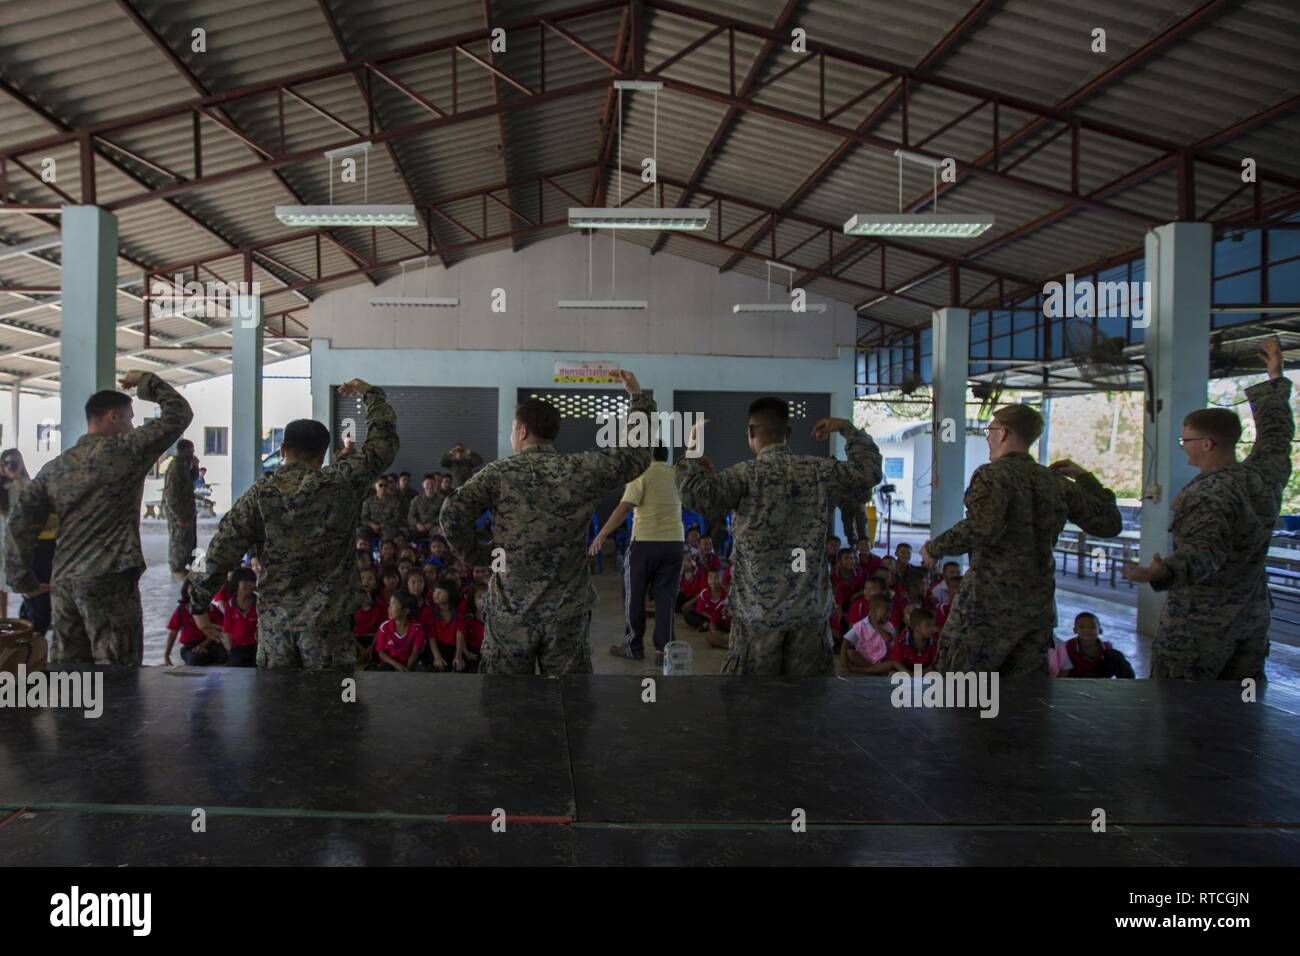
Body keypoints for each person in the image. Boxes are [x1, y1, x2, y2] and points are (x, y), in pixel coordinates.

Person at [440, 370, 653, 675]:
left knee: (506, 702)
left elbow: (451, 515)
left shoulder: (499, 473)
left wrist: (480, 555)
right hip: (566, 613)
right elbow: (634, 456)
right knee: (567, 703)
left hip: (511, 611)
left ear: (523, 431)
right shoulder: (580, 470)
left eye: (513, 429)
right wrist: (638, 399)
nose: (513, 435)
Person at [188, 378, 398, 669]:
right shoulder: (342, 482)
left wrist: (198, 604)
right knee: (336, 704)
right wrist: (372, 395)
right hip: (328, 628)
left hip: (277, 628)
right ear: (323, 453)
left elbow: (219, 550)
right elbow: (381, 446)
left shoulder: (260, 495)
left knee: (277, 708)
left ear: (283, 449)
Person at [1124, 337, 1292, 680]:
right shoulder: (1265, 475)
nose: (1184, 447)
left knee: (1177, 716)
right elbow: (1276, 435)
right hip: (1251, 620)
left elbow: (1204, 554)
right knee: (1242, 712)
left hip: (1199, 629)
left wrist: (1163, 572)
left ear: (1207, 444)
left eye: (1186, 440)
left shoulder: (1208, 493)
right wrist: (1275, 379)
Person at [676, 401, 881, 675]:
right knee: (806, 704)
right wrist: (846, 428)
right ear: (789, 433)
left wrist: (691, 455)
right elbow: (869, 472)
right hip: (808, 616)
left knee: (754, 704)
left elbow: (695, 494)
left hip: (758, 617)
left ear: (750, 432)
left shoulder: (744, 475)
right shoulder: (819, 471)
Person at [5, 371, 192, 665]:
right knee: (118, 678)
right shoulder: (128, 450)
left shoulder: (56, 467)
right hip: (110, 581)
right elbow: (179, 413)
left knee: (70, 676)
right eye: (129, 418)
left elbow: (19, 524)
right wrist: (146, 382)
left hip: (65, 584)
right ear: (112, 417)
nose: (132, 426)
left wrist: (22, 580)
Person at [921, 404, 1123, 676]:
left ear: (1003, 433)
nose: (988, 437)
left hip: (987, 607)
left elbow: (982, 526)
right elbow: (1109, 523)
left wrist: (935, 548)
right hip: (1036, 609)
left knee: (962, 691)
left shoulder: (992, 475)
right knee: (1023, 699)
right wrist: (1086, 479)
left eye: (990, 430)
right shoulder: (1055, 482)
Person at [591, 446, 683, 666]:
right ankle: (664, 650)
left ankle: (633, 647)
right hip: (674, 544)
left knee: (634, 597)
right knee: (666, 599)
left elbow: (624, 508)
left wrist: (601, 535)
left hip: (645, 544)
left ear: (648, 455)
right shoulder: (677, 475)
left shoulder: (641, 474)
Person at [163, 578, 228, 667]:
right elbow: (172, 633)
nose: (196, 590)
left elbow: (219, 631)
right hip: (190, 647)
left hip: (210, 642)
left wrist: (204, 645)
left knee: (224, 654)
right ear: (186, 591)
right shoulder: (181, 610)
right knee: (195, 659)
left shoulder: (213, 609)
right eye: (192, 587)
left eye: (199, 587)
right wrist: (166, 655)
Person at [0, 449, 32, 619]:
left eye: (15, 462)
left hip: (19, 537)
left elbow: (30, 499)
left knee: (21, 577)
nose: (11, 466)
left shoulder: (25, 482)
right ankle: (2, 617)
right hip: (2, 535)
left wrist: (17, 477)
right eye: (7, 462)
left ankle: (29, 615)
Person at [1056, 611, 1134, 679]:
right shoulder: (1068, 647)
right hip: (1078, 681)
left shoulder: (1106, 647)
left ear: (1100, 631)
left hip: (1098, 677)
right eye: (1082, 627)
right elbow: (1064, 670)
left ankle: (1129, 686)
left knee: (1116, 655)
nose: (1087, 630)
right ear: (1075, 630)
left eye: (1092, 627)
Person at [162, 438, 199, 578]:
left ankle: (185, 564)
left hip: (188, 510)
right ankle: (177, 567)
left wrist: (195, 465)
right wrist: (180, 516)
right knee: (179, 540)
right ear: (183, 450)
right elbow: (171, 495)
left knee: (188, 539)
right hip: (179, 512)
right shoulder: (175, 467)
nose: (193, 452)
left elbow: (192, 478)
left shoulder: (184, 465)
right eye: (191, 450)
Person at [371, 590, 426, 672]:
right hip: (391, 663)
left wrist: (407, 669)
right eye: (389, 604)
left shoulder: (417, 628)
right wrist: (397, 665)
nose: (389, 608)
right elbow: (381, 653)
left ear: (405, 611)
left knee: (422, 671)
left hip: (410, 663)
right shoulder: (384, 627)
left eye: (393, 605)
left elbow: (415, 653)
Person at [840, 594, 895, 675]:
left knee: (891, 663)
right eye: (886, 610)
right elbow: (846, 640)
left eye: (890, 611)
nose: (889, 614)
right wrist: (843, 661)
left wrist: (876, 625)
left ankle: (860, 670)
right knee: (850, 653)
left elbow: (888, 639)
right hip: (865, 658)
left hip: (883, 658)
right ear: (873, 611)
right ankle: (877, 669)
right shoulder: (862, 624)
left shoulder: (888, 625)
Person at [222, 567, 259, 667]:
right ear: (236, 583)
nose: (251, 585)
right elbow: (227, 632)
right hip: (237, 647)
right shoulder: (230, 605)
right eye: (246, 581)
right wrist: (231, 652)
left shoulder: (260, 603)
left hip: (257, 647)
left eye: (252, 581)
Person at [890, 607, 940, 673]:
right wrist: (909, 674)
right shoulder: (902, 641)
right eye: (928, 625)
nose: (932, 629)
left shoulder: (935, 641)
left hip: (924, 670)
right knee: (890, 668)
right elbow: (896, 662)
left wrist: (917, 674)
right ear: (917, 627)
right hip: (906, 669)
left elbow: (934, 665)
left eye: (933, 625)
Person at [361, 476, 403, 542]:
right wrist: (372, 524)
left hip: (387, 526)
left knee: (390, 533)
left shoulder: (395, 502)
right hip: (371, 526)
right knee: (360, 531)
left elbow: (397, 518)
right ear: (375, 486)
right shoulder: (368, 501)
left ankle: (385, 551)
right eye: (381, 485)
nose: (383, 487)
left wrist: (383, 525)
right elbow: (364, 517)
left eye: (385, 485)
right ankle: (363, 551)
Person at [408, 473, 442, 543]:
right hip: (419, 527)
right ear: (423, 485)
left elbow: (443, 515)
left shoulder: (441, 499)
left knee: (441, 534)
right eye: (427, 484)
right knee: (407, 535)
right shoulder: (416, 499)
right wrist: (417, 524)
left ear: (435, 484)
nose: (430, 486)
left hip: (434, 527)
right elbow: (410, 516)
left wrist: (432, 523)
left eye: (432, 483)